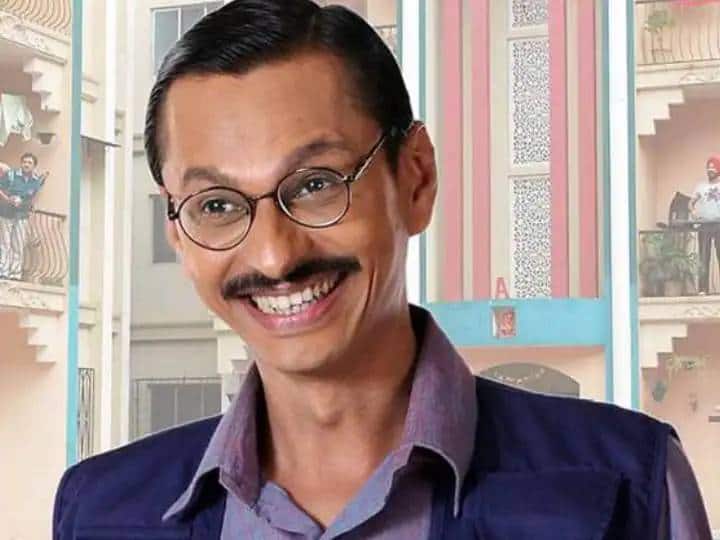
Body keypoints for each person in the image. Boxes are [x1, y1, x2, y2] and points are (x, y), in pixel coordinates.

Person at [53, 1, 712, 538]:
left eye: (316, 184)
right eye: (217, 205)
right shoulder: (101, 512)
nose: (276, 256)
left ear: (416, 178)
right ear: (177, 231)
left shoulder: (625, 487)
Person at [0, 152, 47, 280]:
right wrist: (8, 199)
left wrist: (28, 205)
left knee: (18, 244)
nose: (26, 164)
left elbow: (33, 196)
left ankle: (15, 273)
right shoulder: (11, 175)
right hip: (6, 212)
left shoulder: (35, 181)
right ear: (21, 163)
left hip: (22, 215)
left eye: (29, 163)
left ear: (34, 166)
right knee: (5, 243)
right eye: (24, 162)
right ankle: (3, 271)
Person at [691, 156, 720, 294]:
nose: (710, 170)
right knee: (703, 257)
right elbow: (691, 203)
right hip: (704, 225)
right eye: (708, 168)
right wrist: (693, 212)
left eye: (713, 168)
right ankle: (703, 289)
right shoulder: (700, 186)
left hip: (719, 224)